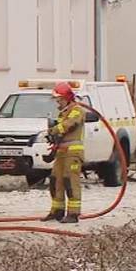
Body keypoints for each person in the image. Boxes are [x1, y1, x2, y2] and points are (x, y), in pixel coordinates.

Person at [41, 82, 86, 224]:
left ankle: (73, 214)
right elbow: (60, 131)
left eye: (59, 99)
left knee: (70, 181)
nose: (57, 103)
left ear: (66, 98)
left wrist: (53, 130)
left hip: (73, 153)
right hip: (61, 152)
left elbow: (68, 125)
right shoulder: (63, 112)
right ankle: (57, 211)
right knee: (56, 181)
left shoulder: (77, 110)